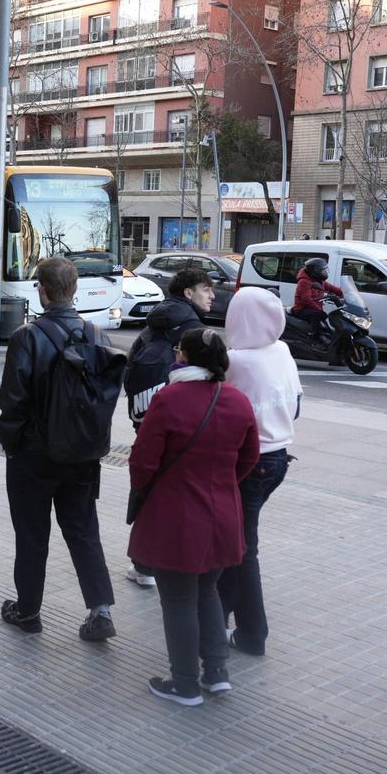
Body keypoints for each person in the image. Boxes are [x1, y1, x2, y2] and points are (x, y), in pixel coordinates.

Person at [129, 328, 260, 706]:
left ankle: (184, 682)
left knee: (178, 599)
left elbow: (143, 460)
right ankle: (216, 673)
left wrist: (152, 489)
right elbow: (249, 457)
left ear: (183, 357)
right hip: (223, 515)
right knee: (208, 592)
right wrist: (221, 484)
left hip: (177, 517)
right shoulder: (237, 399)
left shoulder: (169, 398)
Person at [0, 257, 118, 641]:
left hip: (34, 454)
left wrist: (12, 444)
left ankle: (28, 611)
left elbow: (12, 400)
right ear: (75, 290)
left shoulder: (27, 337)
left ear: (42, 291)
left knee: (32, 534)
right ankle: (100, 611)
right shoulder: (97, 335)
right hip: (82, 454)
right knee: (84, 531)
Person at [216, 288, 301, 657]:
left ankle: (252, 633)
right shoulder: (281, 351)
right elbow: (296, 405)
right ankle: (222, 615)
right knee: (238, 541)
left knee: (241, 548)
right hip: (279, 457)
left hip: (247, 462)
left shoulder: (236, 361)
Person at [122, 267, 215, 587]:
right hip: (186, 425)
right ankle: (181, 562)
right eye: (206, 289)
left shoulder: (154, 324)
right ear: (188, 293)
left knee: (151, 491)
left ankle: (144, 566)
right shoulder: (193, 331)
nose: (212, 296)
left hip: (147, 418)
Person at [291, 257, 342, 338]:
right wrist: (319, 309)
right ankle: (315, 335)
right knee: (317, 314)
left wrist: (343, 293)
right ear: (315, 271)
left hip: (312, 308)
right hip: (301, 309)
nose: (325, 272)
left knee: (323, 316)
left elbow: (332, 288)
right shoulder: (304, 282)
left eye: (325, 270)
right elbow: (306, 300)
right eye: (322, 270)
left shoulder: (319, 280)